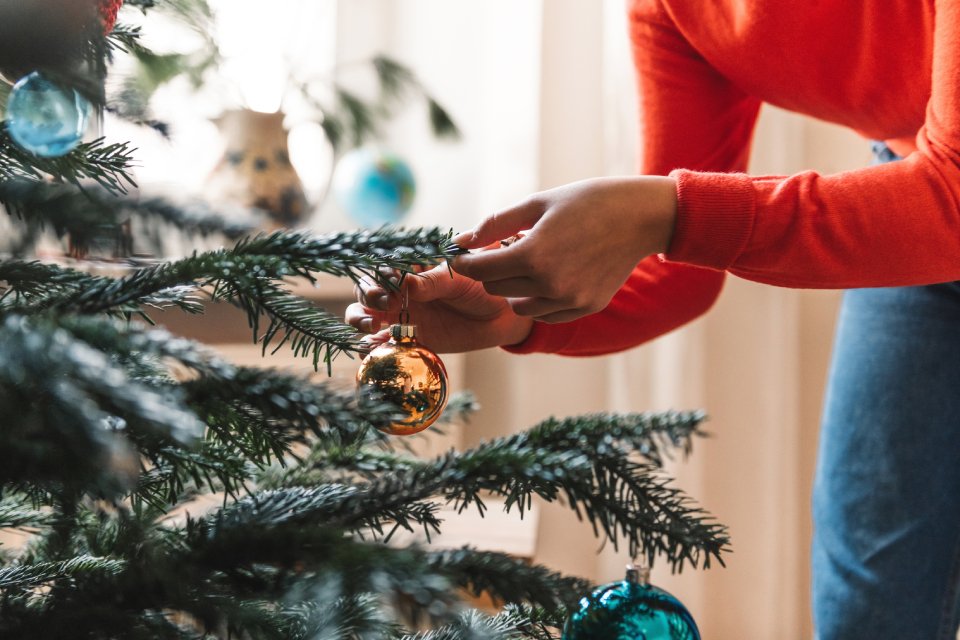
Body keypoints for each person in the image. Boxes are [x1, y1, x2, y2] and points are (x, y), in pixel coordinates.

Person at [346, 1, 960, 637]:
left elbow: (955, 196)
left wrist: (664, 213)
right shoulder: (673, 10)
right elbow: (677, 273)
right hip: (917, 200)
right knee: (870, 602)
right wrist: (516, 316)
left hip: (941, 197)